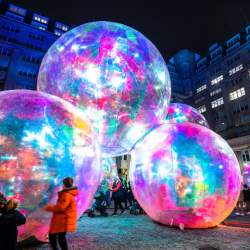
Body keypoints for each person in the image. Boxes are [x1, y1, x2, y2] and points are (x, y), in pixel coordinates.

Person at [45, 177, 78, 250]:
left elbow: (61, 207)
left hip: (62, 220)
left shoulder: (66, 195)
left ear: (64, 184)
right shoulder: (67, 194)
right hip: (61, 220)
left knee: (54, 236)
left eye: (62, 183)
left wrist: (49, 207)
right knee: (59, 237)